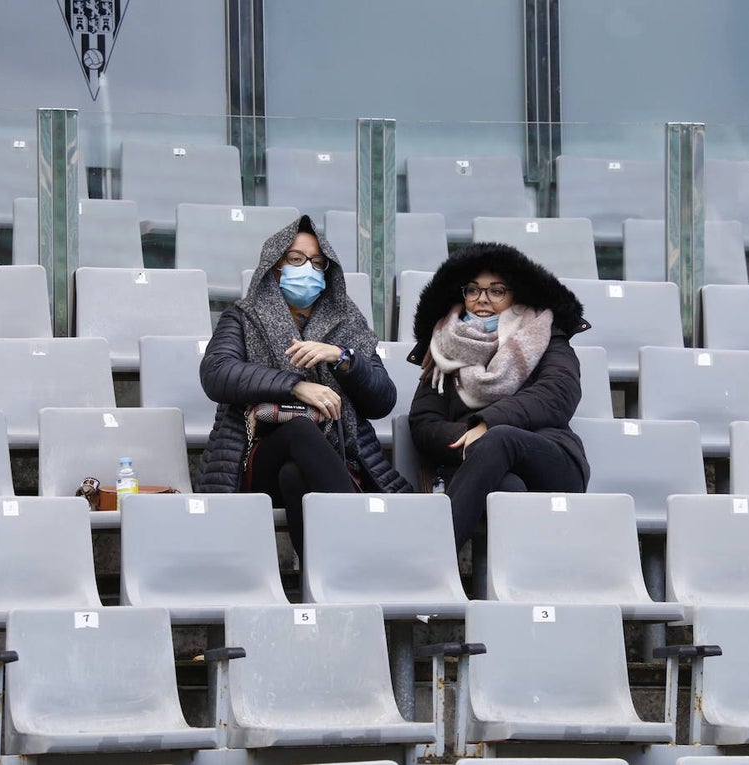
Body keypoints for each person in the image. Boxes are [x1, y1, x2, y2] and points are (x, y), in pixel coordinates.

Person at [199, 214, 411, 556]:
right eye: (296, 259)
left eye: (316, 262)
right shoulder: (243, 316)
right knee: (299, 428)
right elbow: (217, 373)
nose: (307, 268)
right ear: (275, 266)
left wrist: (343, 358)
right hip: (255, 458)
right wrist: (296, 387)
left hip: (334, 458)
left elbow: (382, 400)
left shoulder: (348, 323)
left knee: (295, 476)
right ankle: (365, 545)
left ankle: (324, 581)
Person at [406, 242, 592, 550]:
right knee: (508, 487)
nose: (482, 299)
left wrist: (488, 425)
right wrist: (472, 439)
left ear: (515, 294)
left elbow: (558, 394)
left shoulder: (546, 337)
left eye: (496, 290)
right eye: (473, 290)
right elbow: (424, 423)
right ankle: (514, 589)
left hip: (551, 459)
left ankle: (429, 559)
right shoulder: (442, 349)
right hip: (473, 466)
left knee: (500, 438)